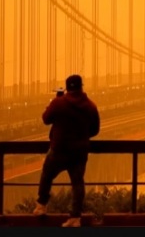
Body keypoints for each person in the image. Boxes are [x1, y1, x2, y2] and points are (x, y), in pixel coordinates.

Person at [33, 74, 101, 227]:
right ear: (81, 86)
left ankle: (41, 205)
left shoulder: (59, 103)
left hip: (59, 150)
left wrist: (55, 101)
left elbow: (45, 119)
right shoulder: (91, 106)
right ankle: (75, 218)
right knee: (77, 183)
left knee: (47, 174)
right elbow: (95, 130)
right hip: (79, 152)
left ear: (67, 87)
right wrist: (82, 137)